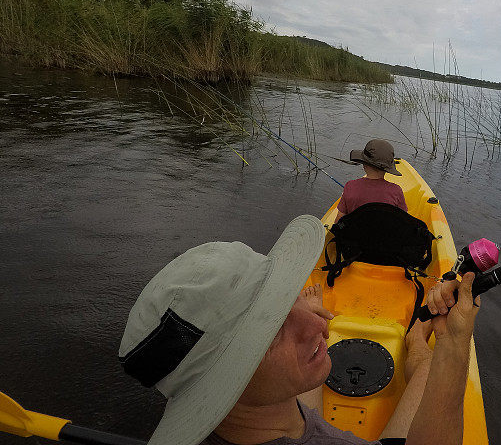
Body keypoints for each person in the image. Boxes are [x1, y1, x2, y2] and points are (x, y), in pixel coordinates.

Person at [119, 215, 480, 445]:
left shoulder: (253, 401)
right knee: (429, 364)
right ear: (227, 379)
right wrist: (452, 345)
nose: (322, 324)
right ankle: (417, 342)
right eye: (271, 329)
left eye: (286, 299)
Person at [334, 139, 407, 224]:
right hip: (384, 236)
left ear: (364, 164)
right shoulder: (396, 191)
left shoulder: (350, 186)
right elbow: (403, 220)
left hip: (353, 235)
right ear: (387, 169)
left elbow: (339, 218)